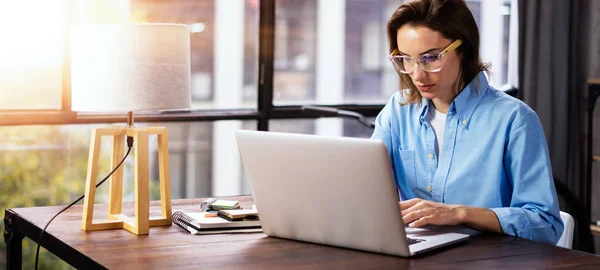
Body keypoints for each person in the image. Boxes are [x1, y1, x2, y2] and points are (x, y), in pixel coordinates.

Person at [371, 0, 563, 244]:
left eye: (430, 58)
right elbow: (367, 191)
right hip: (415, 254)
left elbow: (545, 224)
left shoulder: (514, 119)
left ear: (464, 49)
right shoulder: (397, 111)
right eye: (406, 59)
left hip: (488, 259)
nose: (417, 74)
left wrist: (459, 214)